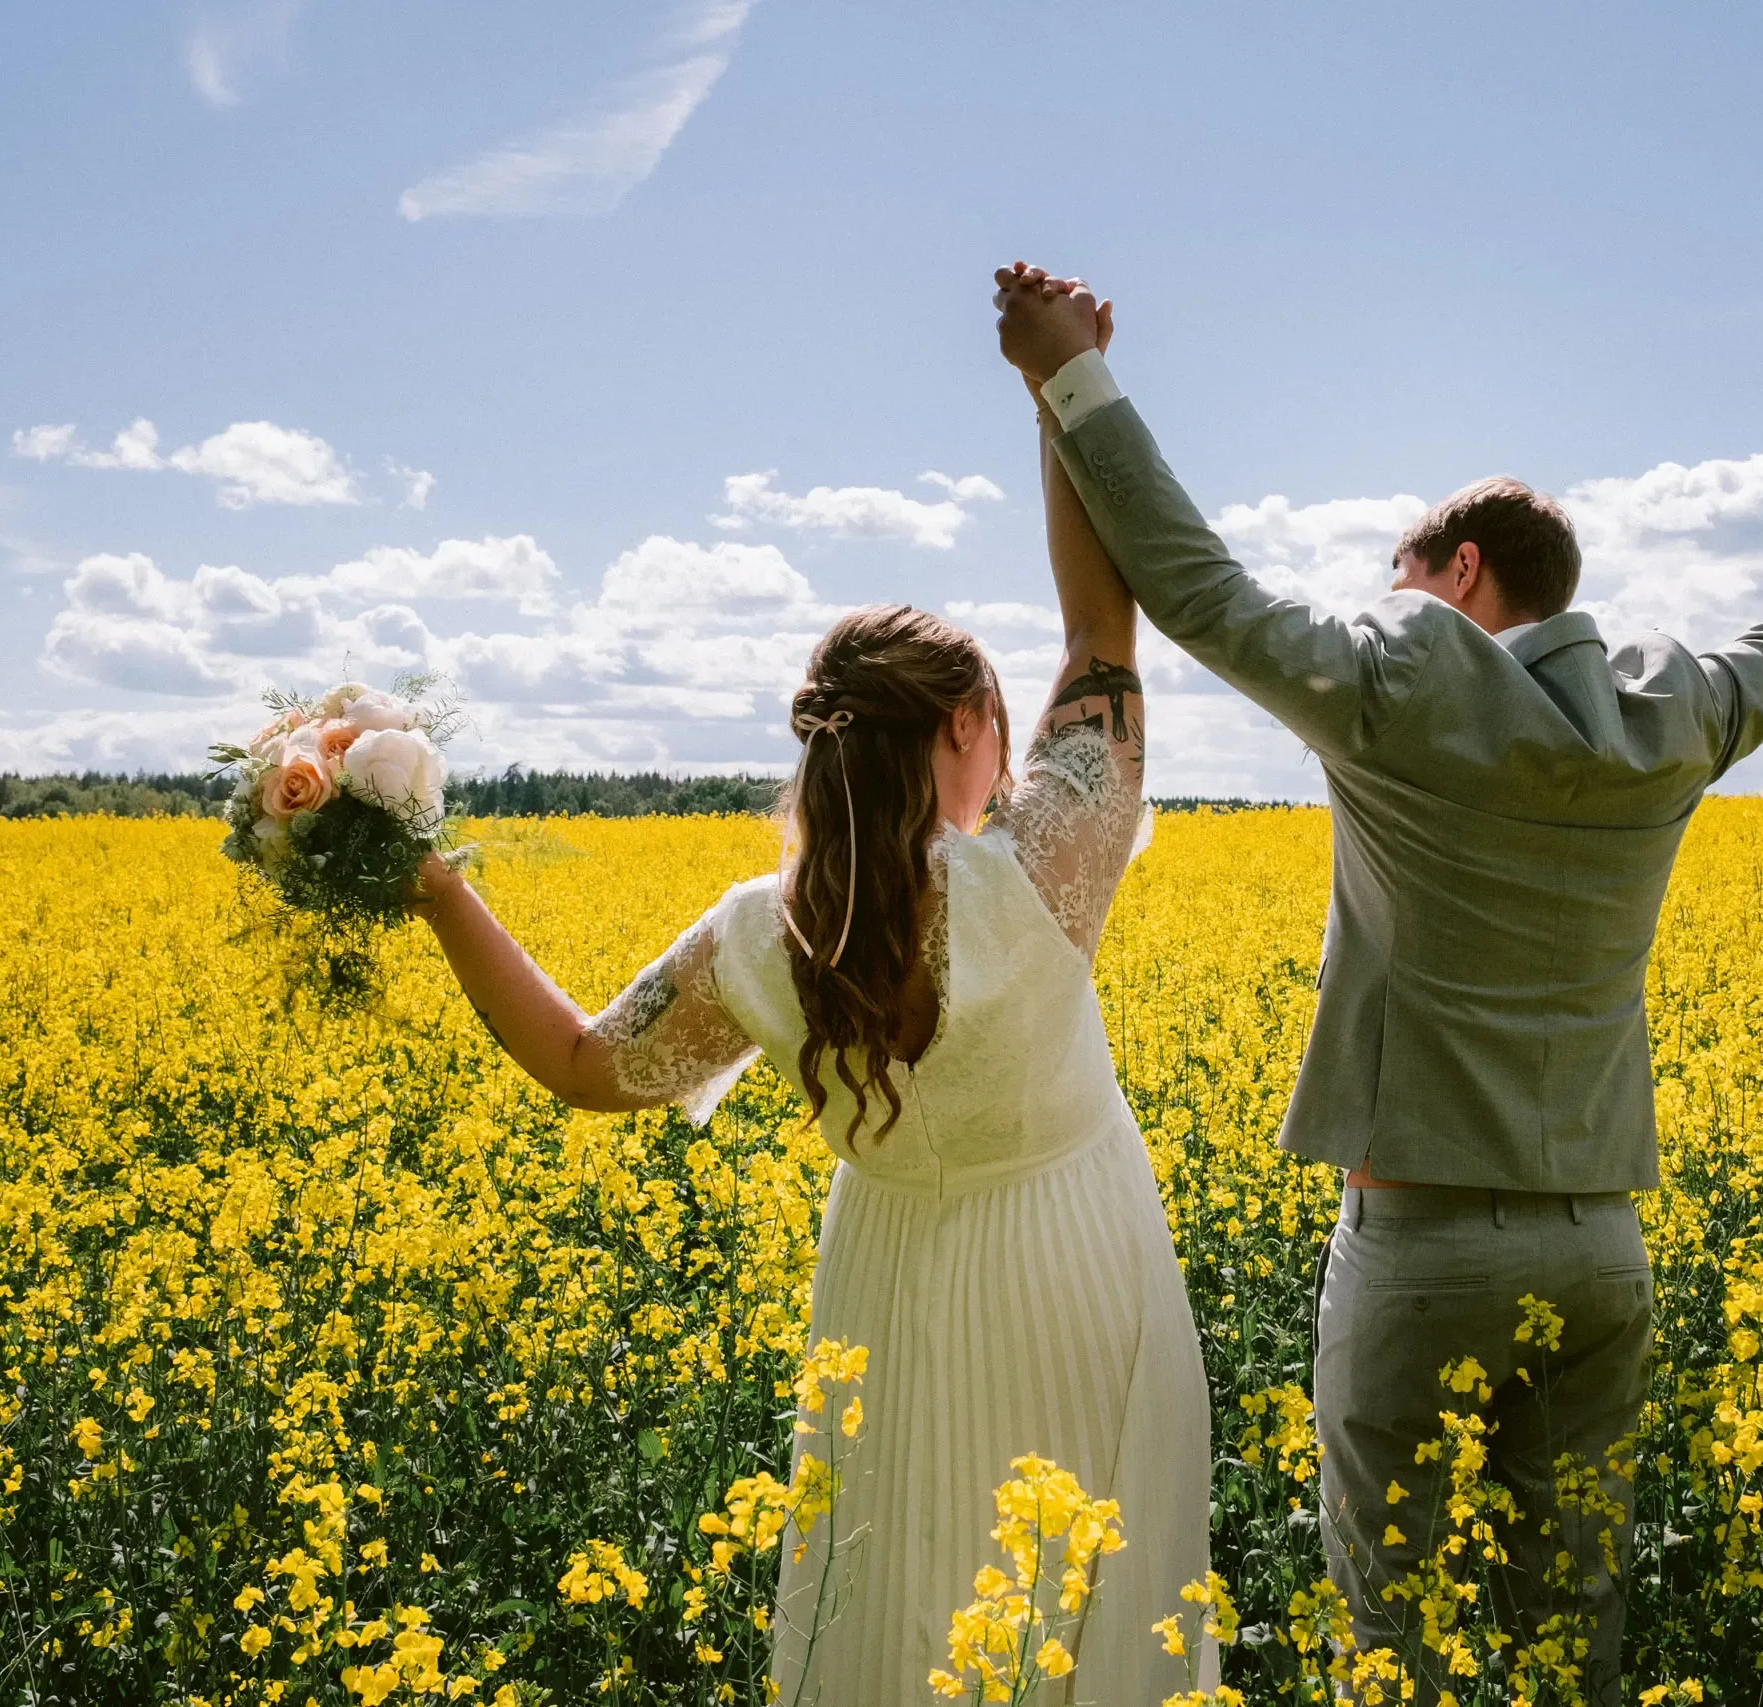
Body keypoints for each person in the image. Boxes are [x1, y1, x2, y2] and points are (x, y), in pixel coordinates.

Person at [994, 261, 1763, 1702]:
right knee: (1572, 1638)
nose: (1377, 605)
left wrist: (1066, 379)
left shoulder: (1399, 687)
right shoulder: (1674, 709)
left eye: (1396, 581)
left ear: (1459, 574)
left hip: (1424, 1249)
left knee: (1394, 1634)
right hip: (1600, 1253)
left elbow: (1198, 588)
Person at [407, 302, 1215, 1703]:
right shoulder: (1041, 875)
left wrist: (433, 885)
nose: (1011, 761)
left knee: (899, 1599)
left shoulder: (760, 940)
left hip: (888, 1284)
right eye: (998, 733)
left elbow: (583, 1061)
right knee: (1095, 1607)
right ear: (964, 730)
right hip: (1079, 1266)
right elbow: (1103, 624)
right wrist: (1055, 382)